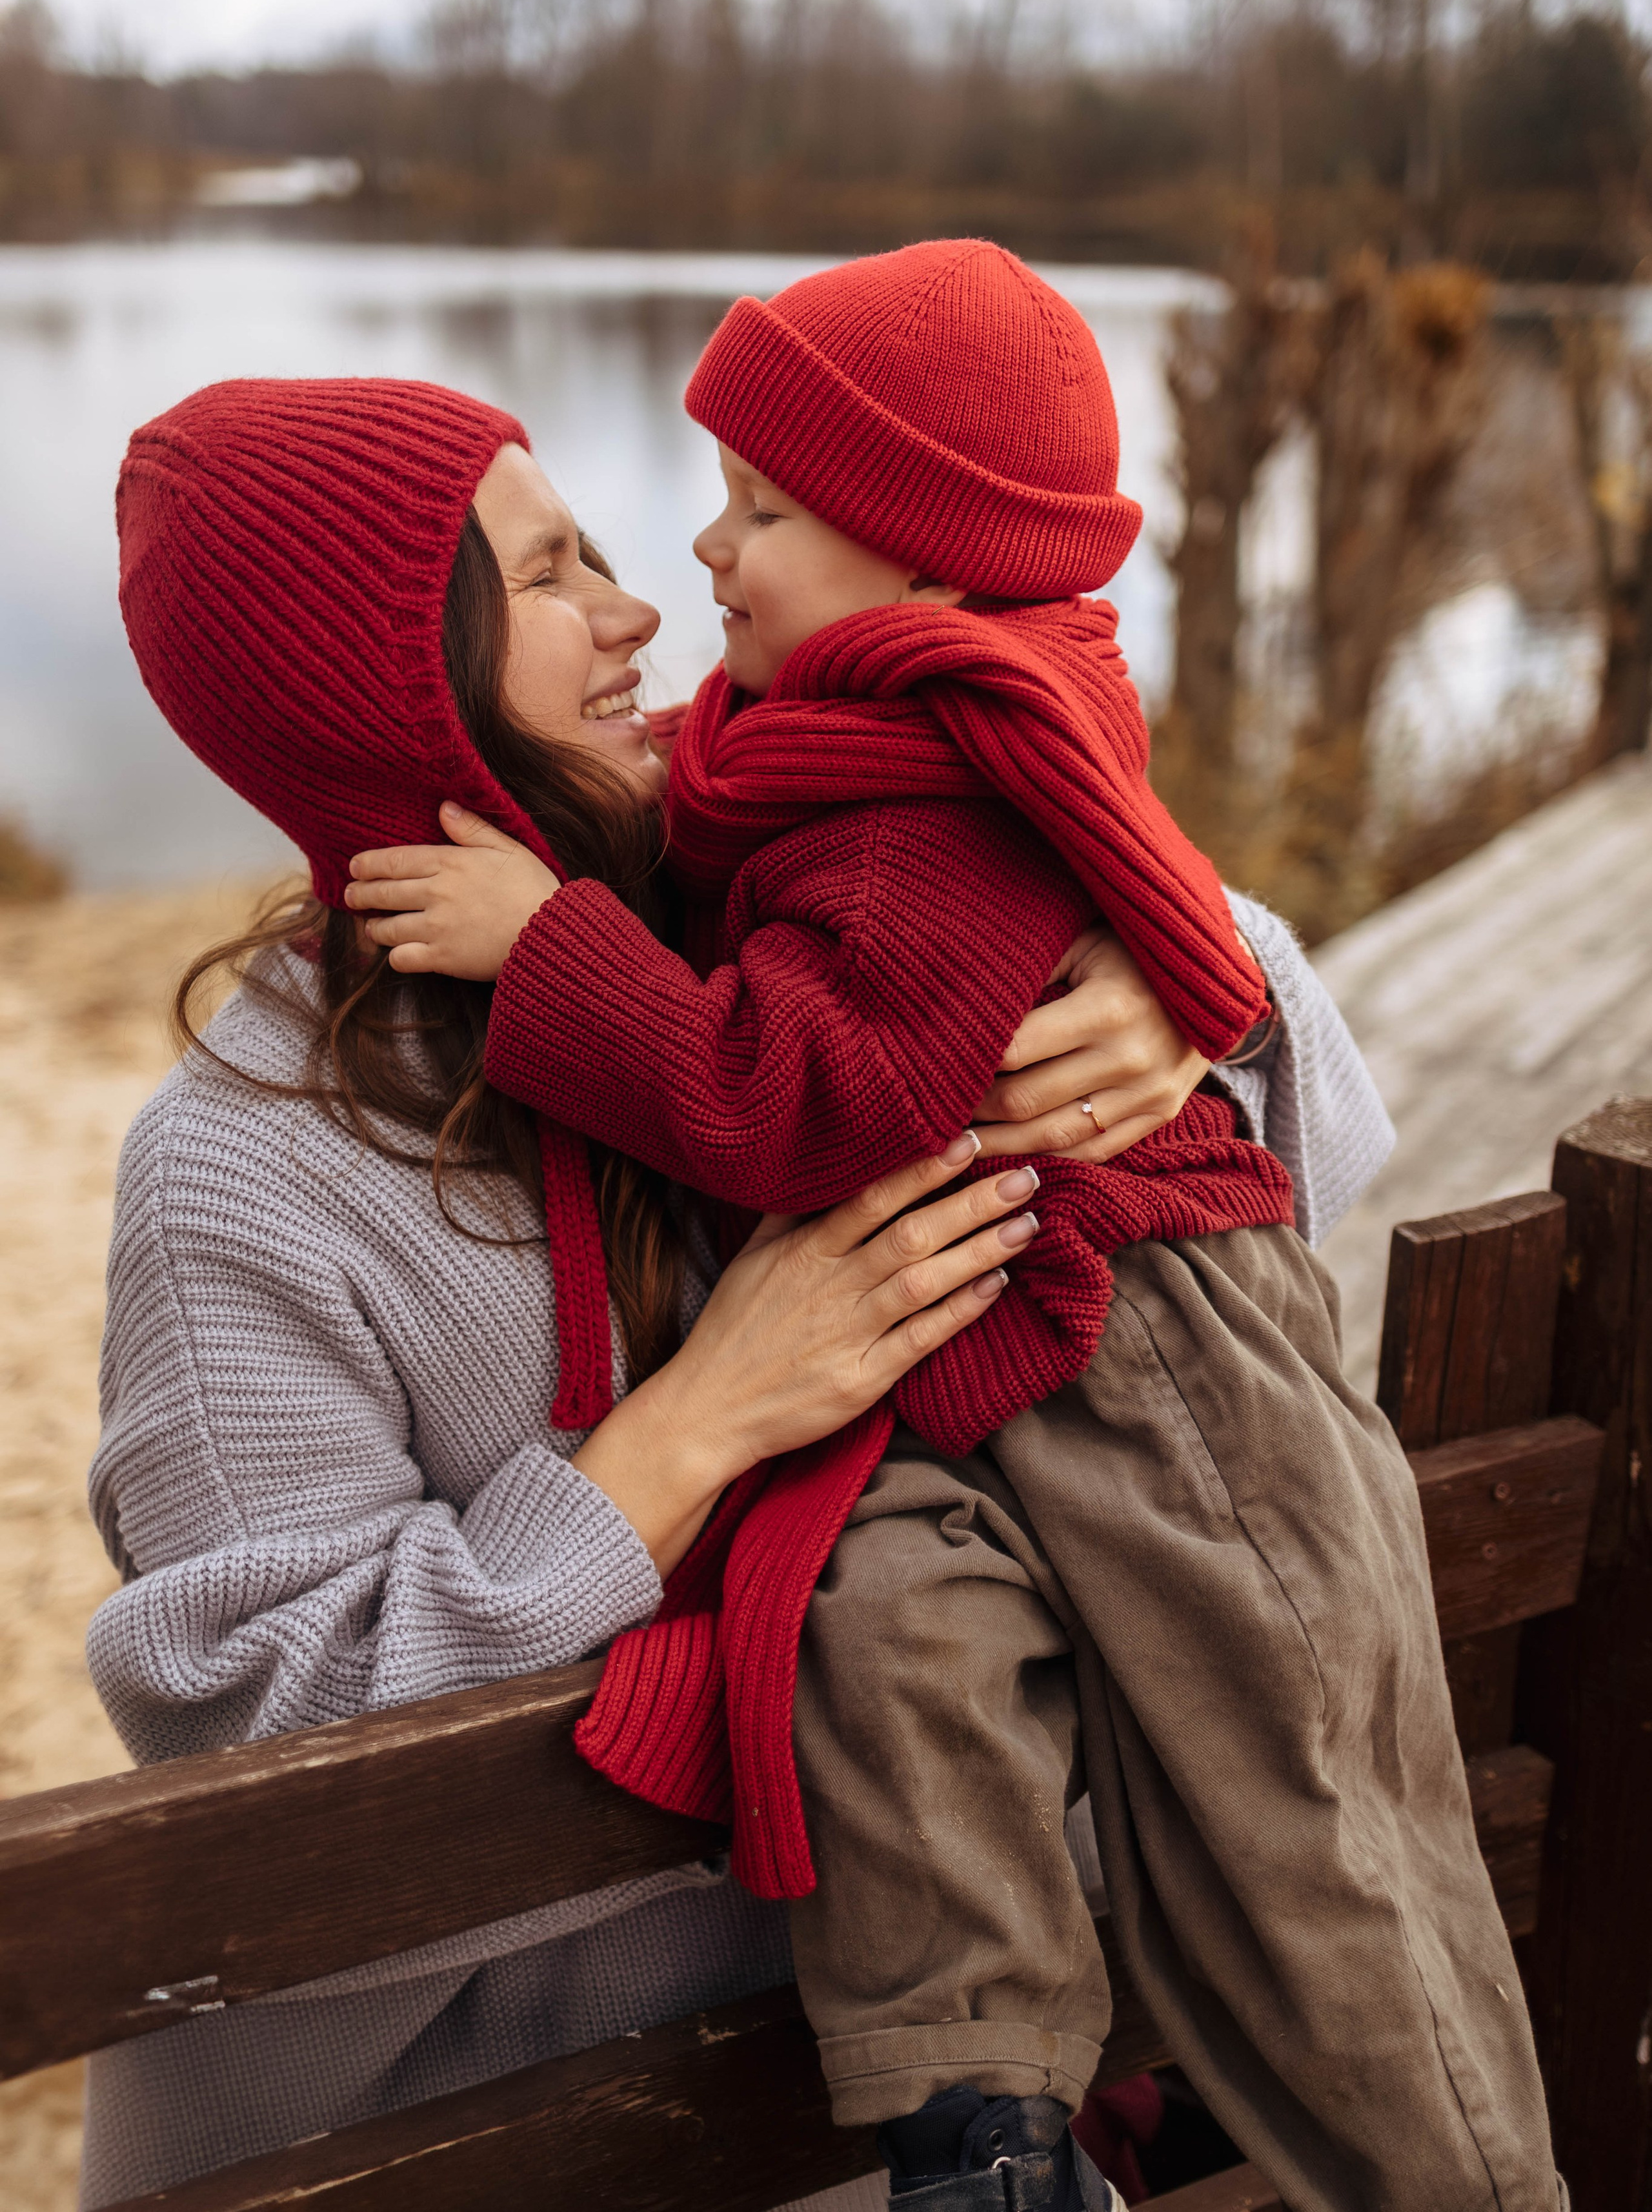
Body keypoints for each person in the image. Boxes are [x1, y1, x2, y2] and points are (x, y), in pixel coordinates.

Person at [347, 245, 1564, 2212]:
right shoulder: (859, 723)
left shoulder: (939, 757)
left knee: (1310, 1824)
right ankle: (988, 2131)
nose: (692, 559)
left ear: (921, 563)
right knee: (887, 1616)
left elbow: (794, 1092)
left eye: (760, 509)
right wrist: (1181, 952)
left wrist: (557, 945)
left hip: (1144, 1350)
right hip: (988, 1361)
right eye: (691, 509)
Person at [85, 370, 1364, 2210]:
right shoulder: (242, 1168)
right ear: (394, 674)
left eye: (604, 550)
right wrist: (686, 1432)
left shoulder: (750, 898)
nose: (640, 611)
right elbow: (260, 1759)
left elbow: (1320, 1112)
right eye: (548, 576)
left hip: (857, 2071)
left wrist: (1168, 980)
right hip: (445, 2127)